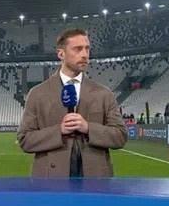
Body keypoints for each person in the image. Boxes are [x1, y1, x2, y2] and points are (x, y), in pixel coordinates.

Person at [17, 28, 127, 177]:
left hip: (96, 179)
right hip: (51, 179)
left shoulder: (104, 94)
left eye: (87, 49)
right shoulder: (37, 94)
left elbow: (120, 136)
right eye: (77, 49)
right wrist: (60, 130)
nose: (84, 54)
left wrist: (88, 128)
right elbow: (25, 140)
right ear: (60, 54)